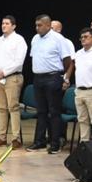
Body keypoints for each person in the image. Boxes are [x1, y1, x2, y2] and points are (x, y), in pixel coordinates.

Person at [26, 14, 73, 154]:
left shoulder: (58, 39)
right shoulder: (35, 39)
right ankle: (39, 141)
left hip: (53, 77)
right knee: (41, 111)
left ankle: (55, 143)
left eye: (40, 25)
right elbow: (34, 57)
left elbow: (67, 60)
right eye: (36, 25)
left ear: (48, 25)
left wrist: (63, 77)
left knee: (54, 111)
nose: (37, 28)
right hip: (38, 77)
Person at [0, 16, 27, 149]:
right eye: (3, 23)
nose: (4, 26)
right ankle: (1, 137)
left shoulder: (19, 40)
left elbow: (18, 61)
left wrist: (4, 72)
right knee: (0, 108)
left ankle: (16, 138)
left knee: (13, 108)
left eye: (7, 24)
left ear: (13, 26)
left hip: (12, 77)